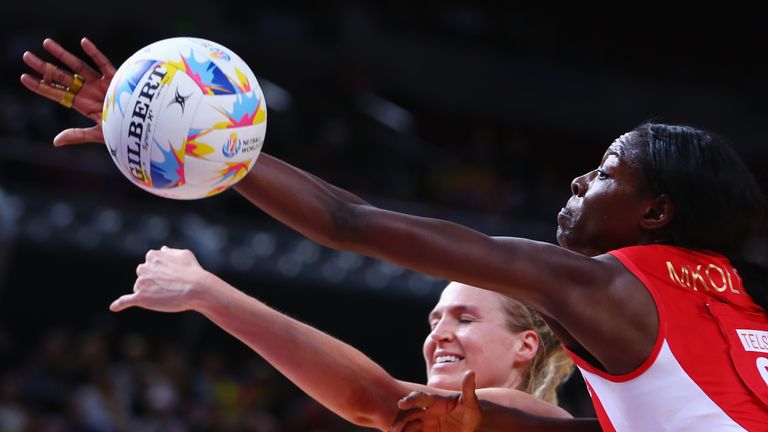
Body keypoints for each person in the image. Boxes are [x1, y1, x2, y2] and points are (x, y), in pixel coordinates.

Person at [21, 37, 768, 431]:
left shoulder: (611, 283)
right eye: (436, 314)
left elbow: (349, 223)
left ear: (656, 215)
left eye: (605, 173)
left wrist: (204, 145)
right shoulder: (741, 316)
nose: (579, 181)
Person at [105, 245, 592, 431]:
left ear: (525, 346)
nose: (440, 334)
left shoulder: (537, 417)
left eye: (463, 319)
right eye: (434, 321)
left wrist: (207, 292)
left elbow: (373, 399)